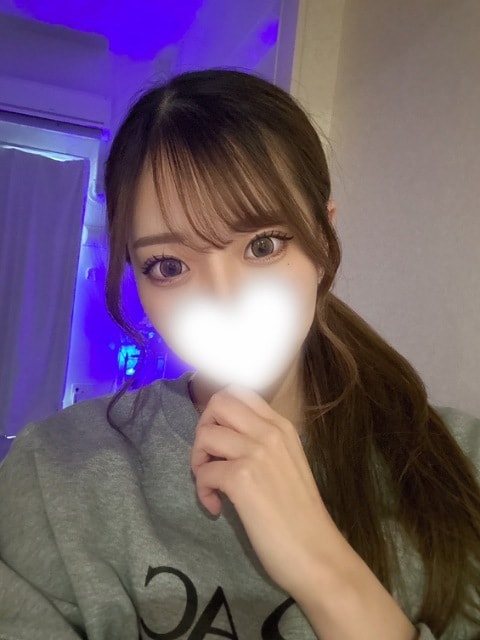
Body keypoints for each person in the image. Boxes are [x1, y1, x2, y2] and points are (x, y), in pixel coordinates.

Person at [0, 69, 479, 640]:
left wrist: (326, 570)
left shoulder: (460, 466)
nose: (223, 298)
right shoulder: (54, 475)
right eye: (168, 265)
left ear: (324, 245)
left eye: (262, 245)